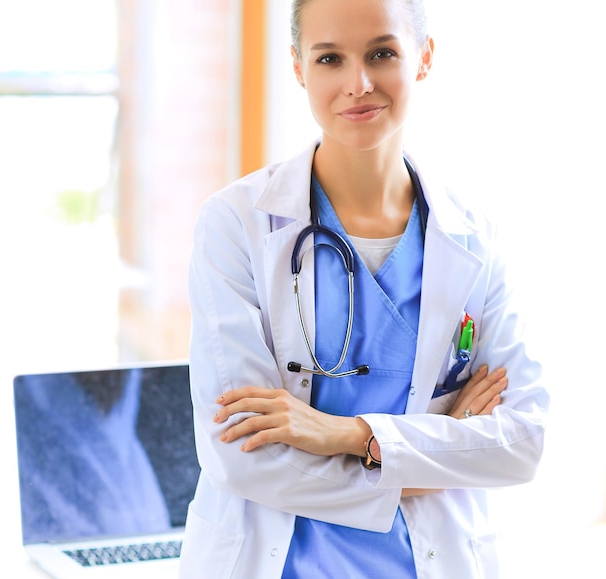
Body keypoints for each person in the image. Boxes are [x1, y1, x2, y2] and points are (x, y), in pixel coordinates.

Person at [179, 0, 549, 577]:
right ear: (299, 67)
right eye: (330, 58)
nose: (359, 84)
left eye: (382, 53)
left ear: (423, 57)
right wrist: (442, 453)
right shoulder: (237, 224)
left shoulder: (472, 236)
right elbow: (241, 455)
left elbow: (523, 442)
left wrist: (346, 434)